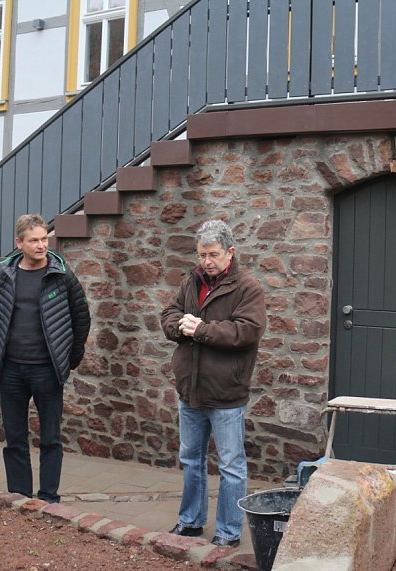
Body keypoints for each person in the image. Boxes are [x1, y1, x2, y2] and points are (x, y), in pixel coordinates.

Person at [160, 219, 267, 548]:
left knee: (231, 466)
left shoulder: (248, 288)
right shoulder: (191, 282)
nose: (206, 261)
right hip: (189, 390)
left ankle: (228, 533)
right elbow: (169, 313)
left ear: (230, 253)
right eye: (201, 254)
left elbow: (246, 332)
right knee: (191, 460)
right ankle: (191, 522)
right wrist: (180, 325)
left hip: (226, 394)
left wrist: (201, 329)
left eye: (213, 254)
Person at [0, 214, 90, 503]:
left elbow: (81, 318)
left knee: (50, 438)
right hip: (11, 371)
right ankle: (20, 495)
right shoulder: (4, 276)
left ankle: (48, 497)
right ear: (18, 243)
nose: (41, 245)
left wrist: (68, 360)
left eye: (45, 238)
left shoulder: (62, 275)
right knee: (15, 438)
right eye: (34, 240)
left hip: (47, 370)